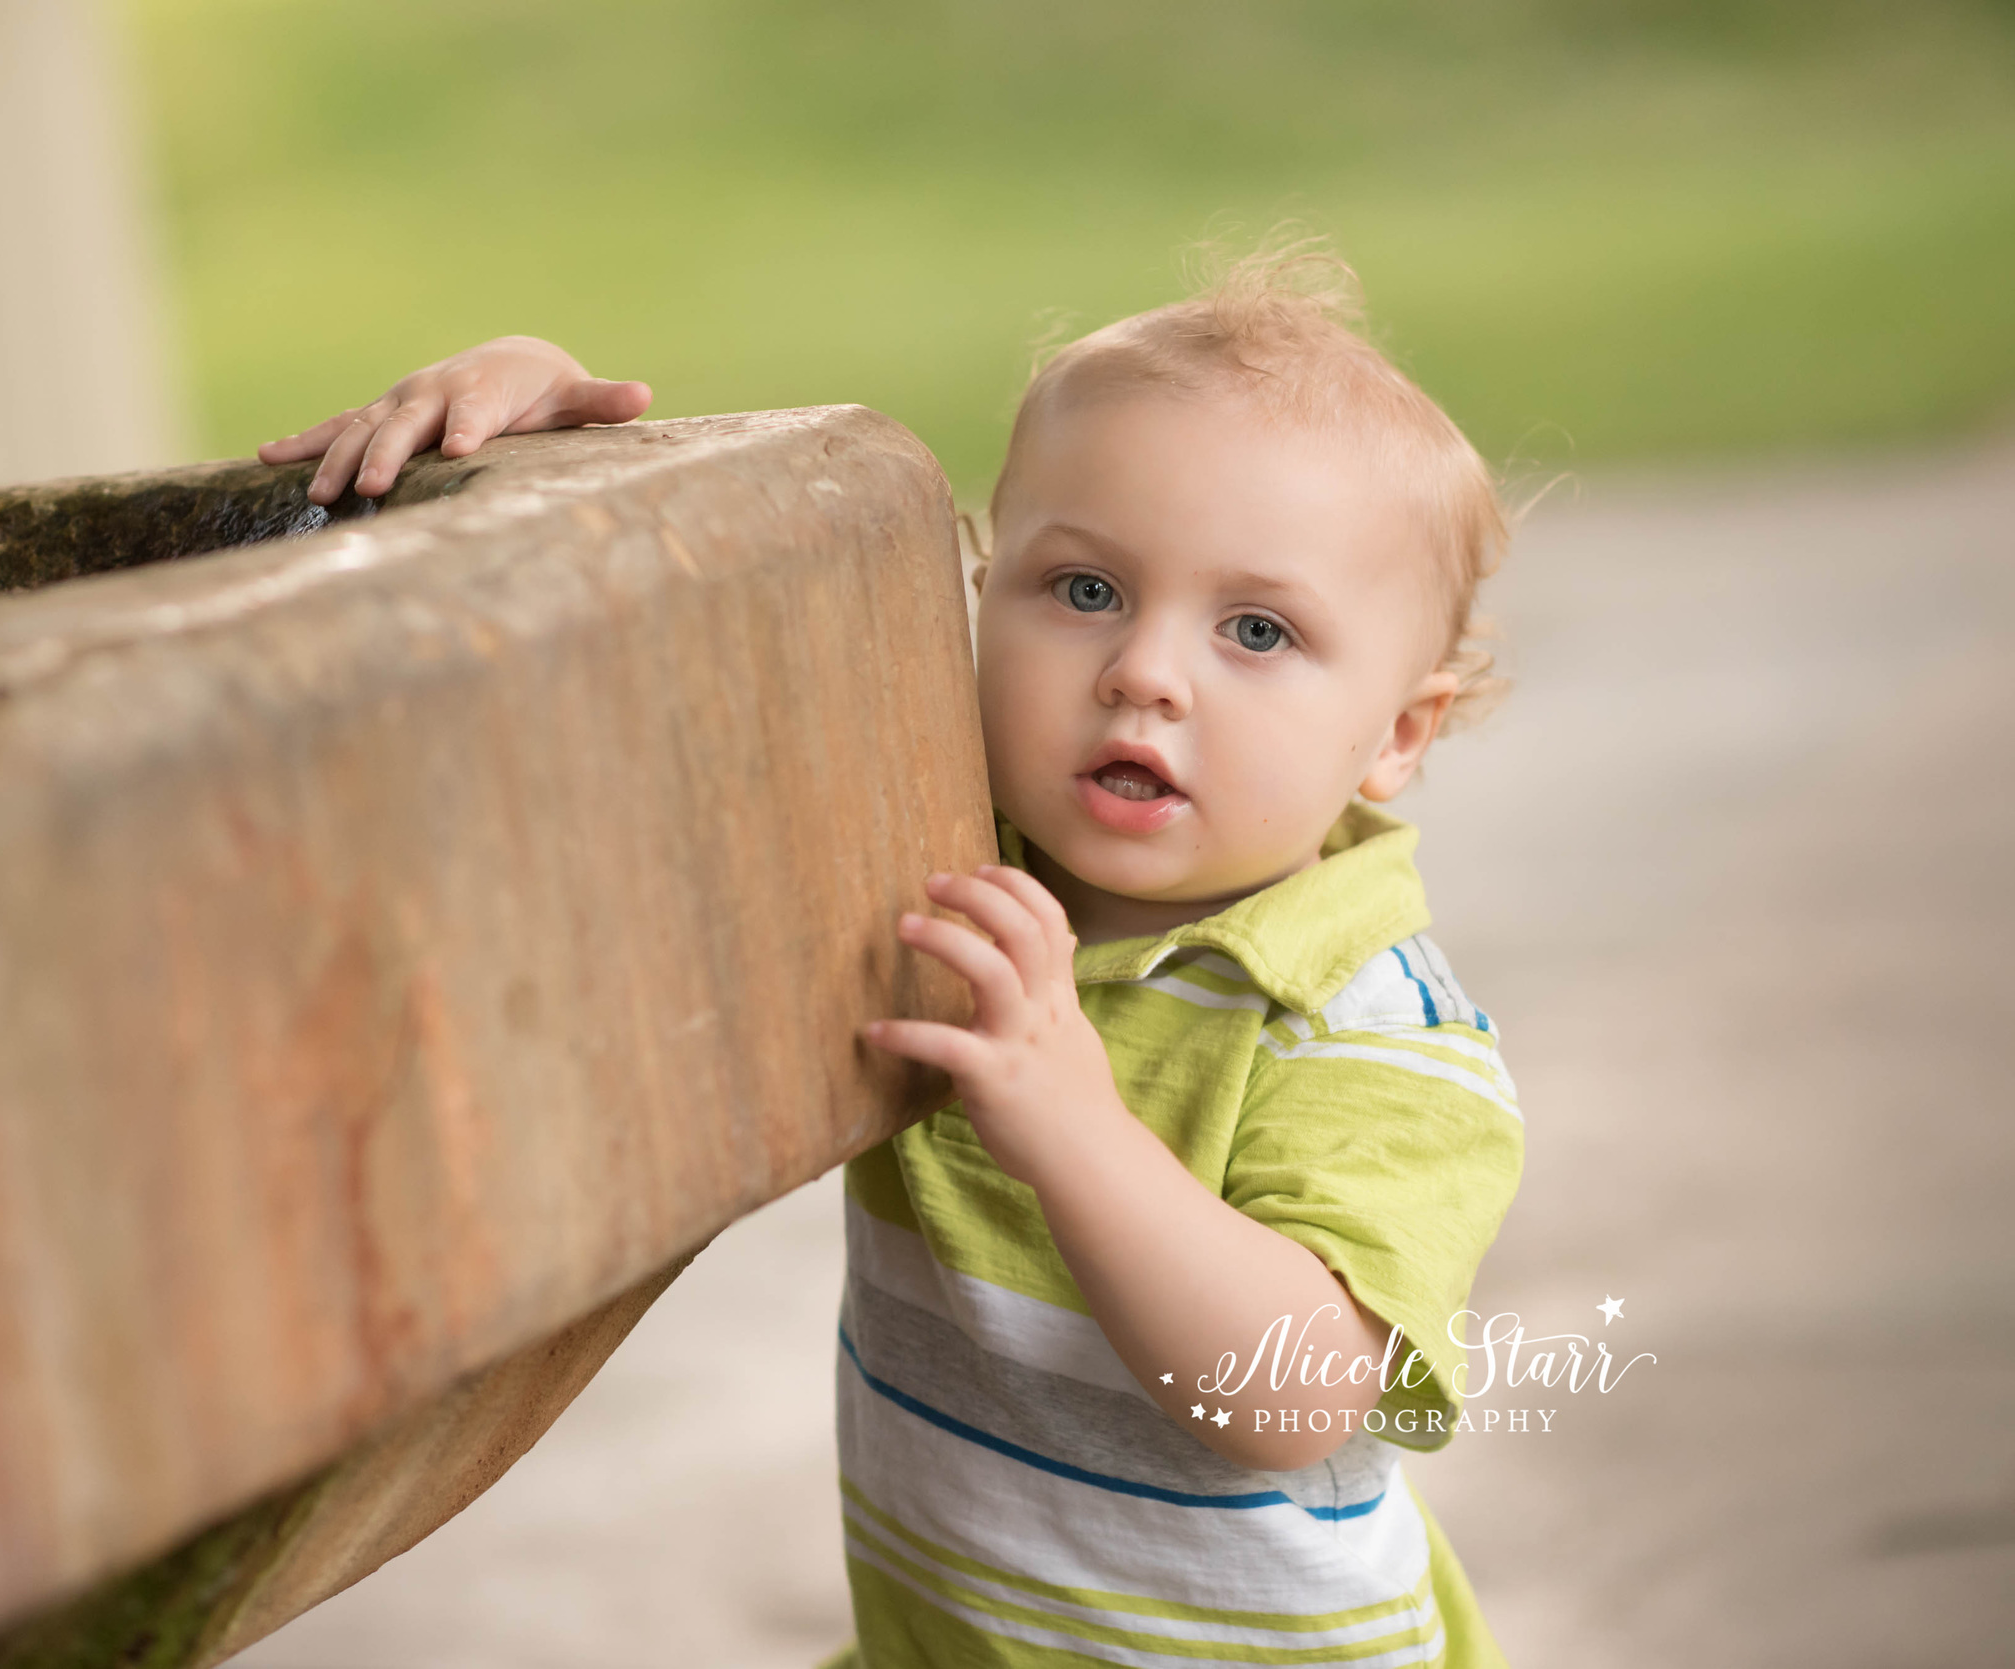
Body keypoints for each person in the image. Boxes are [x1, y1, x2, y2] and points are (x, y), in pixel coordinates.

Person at [259, 240, 1524, 1669]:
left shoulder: (1368, 1024)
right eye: (1086, 590)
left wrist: (1073, 1122)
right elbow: (719, 652)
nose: (1146, 670)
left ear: (1399, 733)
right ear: (978, 595)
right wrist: (543, 455)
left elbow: (1293, 1400)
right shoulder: (934, 842)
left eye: (1256, 629)